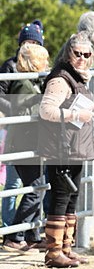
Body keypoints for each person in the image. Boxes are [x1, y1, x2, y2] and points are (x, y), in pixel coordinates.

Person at [38, 32, 94, 268]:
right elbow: (46, 111)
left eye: (87, 54)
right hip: (61, 148)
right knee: (61, 197)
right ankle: (53, 252)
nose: (83, 58)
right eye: (78, 53)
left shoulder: (76, 78)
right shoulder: (60, 79)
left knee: (71, 198)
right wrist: (76, 114)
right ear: (68, 53)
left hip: (74, 147)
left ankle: (66, 247)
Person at [2, 42, 49, 251]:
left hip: (27, 143)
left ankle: (30, 234)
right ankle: (15, 234)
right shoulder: (24, 84)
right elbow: (21, 113)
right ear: (35, 61)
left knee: (37, 187)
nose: (47, 63)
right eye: (44, 59)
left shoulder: (32, 81)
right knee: (36, 189)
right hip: (23, 144)